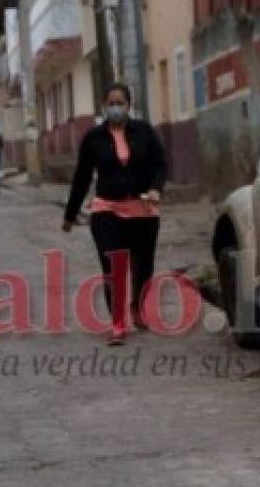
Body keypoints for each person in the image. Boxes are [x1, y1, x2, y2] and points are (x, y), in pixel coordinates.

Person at [62, 84, 168, 346]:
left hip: (143, 211)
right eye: (111, 103)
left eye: (120, 102)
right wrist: (70, 213)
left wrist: (155, 188)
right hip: (107, 211)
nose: (115, 108)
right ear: (104, 106)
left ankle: (138, 308)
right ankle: (118, 323)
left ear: (129, 105)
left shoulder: (144, 132)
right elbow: (82, 177)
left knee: (143, 267)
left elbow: (160, 164)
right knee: (114, 267)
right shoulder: (93, 138)